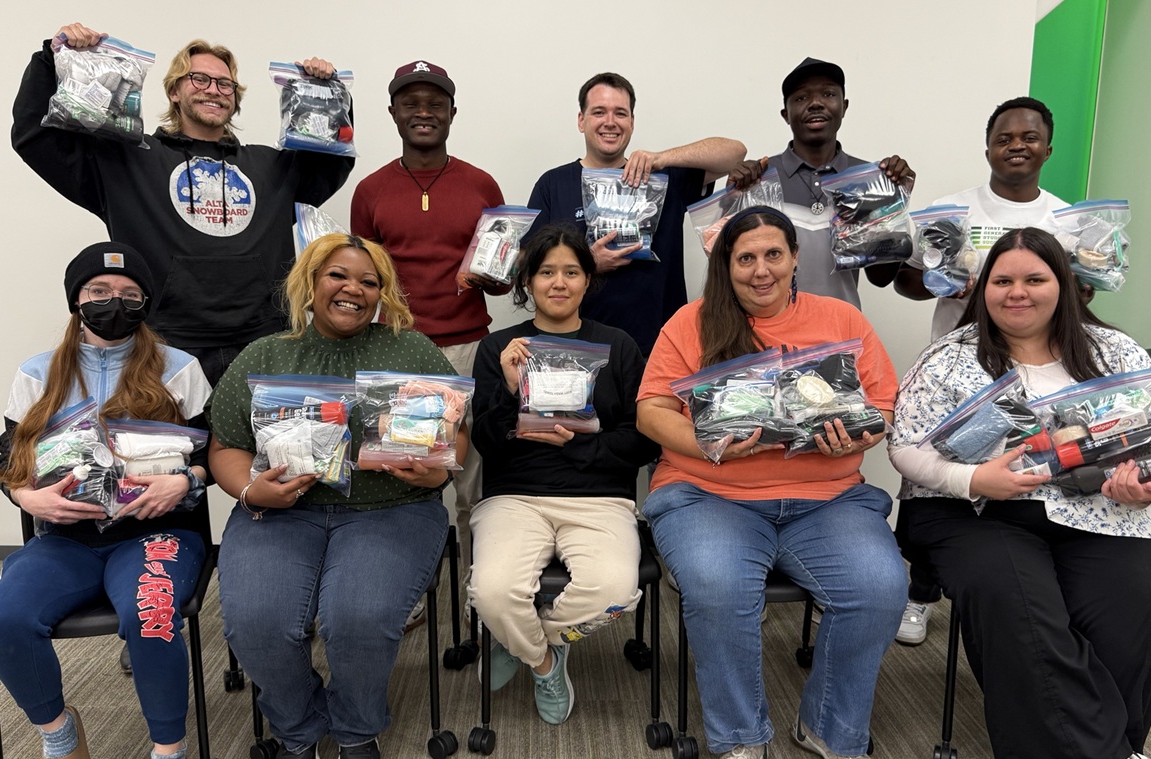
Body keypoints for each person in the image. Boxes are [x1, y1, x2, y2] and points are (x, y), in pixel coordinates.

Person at [888, 227, 1151, 759]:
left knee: (1140, 598)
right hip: (972, 511)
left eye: (1035, 279)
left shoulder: (1114, 351)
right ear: (982, 288)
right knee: (1015, 592)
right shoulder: (951, 356)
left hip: (1099, 511)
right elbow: (905, 447)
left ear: (1064, 285)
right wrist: (975, 477)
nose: (1017, 292)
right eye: (1003, 280)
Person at [636, 206, 906, 759]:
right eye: (746, 258)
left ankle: (830, 730)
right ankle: (740, 742)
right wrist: (711, 444)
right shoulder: (690, 324)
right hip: (709, 493)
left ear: (795, 259)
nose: (761, 270)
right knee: (715, 586)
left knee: (881, 586)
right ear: (726, 266)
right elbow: (651, 412)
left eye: (773, 255)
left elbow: (884, 405)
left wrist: (862, 433)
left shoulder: (842, 319)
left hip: (827, 498)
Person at [207, 233, 459, 759]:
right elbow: (224, 445)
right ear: (310, 283)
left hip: (390, 508)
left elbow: (454, 433)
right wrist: (251, 490)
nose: (353, 289)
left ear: (383, 293)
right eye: (338, 276)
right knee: (257, 621)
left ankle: (355, 729)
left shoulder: (411, 351)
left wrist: (438, 470)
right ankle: (297, 728)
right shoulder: (265, 356)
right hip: (280, 512)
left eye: (369, 282)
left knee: (359, 617)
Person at [0, 242, 212, 759]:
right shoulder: (36, 373)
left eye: (130, 295)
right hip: (66, 538)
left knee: (152, 611)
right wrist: (25, 497)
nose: (115, 303)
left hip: (155, 532)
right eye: (99, 294)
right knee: (2, 618)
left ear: (146, 303)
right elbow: (10, 461)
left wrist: (184, 480)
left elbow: (214, 456)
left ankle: (168, 756)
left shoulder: (178, 368)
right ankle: (57, 733)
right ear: (75, 302)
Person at [12, 22, 355, 385]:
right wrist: (51, 59)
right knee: (167, 445)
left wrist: (327, 89)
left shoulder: (272, 166)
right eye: (200, 79)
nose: (215, 91)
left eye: (226, 84)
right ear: (174, 90)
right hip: (164, 347)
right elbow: (35, 137)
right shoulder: (127, 162)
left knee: (263, 444)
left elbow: (333, 159)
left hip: (262, 342)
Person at [891, 97, 1070, 646]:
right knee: (935, 474)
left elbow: (1080, 295)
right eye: (1005, 137)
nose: (1017, 145)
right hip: (957, 369)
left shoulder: (1065, 219)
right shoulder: (952, 211)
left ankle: (1020, 581)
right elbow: (905, 280)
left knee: (1022, 470)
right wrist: (946, 281)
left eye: (1029, 137)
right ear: (988, 146)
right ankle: (920, 593)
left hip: (1035, 369)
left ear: (1047, 147)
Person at [467, 226, 660, 724]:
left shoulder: (618, 346)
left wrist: (580, 445)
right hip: (515, 497)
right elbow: (486, 444)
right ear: (526, 281)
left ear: (588, 279)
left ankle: (526, 640)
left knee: (616, 593)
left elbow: (642, 441)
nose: (559, 282)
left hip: (600, 499)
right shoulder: (500, 348)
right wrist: (510, 391)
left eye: (571, 272)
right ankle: (546, 661)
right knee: (491, 591)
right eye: (546, 272)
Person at [350, 59, 505, 630]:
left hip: (467, 349)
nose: (423, 112)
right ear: (392, 113)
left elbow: (504, 267)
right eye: (410, 103)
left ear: (452, 113)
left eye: (434, 103)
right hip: (397, 354)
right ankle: (408, 591)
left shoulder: (481, 183)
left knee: (471, 481)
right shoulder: (370, 190)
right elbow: (360, 278)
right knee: (407, 480)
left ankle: (477, 593)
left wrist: (493, 277)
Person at [526, 71, 746, 356]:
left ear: (631, 122)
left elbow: (735, 153)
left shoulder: (661, 177)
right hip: (578, 348)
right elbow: (527, 265)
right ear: (581, 121)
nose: (610, 122)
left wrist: (661, 158)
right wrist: (586, 263)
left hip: (659, 345)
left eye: (620, 113)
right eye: (599, 112)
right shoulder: (553, 184)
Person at [727, 57, 915, 309]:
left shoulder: (867, 180)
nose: (816, 103)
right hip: (764, 338)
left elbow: (880, 278)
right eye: (801, 98)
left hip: (840, 334)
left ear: (844, 106)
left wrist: (891, 206)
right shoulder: (758, 180)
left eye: (828, 94)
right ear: (786, 114)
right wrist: (732, 197)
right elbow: (728, 270)